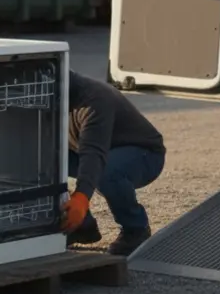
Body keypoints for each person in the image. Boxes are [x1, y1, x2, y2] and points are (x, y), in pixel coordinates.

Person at [61, 70, 166, 256]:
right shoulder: (44, 97)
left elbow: (93, 153)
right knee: (41, 162)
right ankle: (81, 226)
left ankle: (136, 229)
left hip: (144, 153)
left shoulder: (93, 99)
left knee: (107, 173)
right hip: (95, 151)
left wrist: (82, 197)